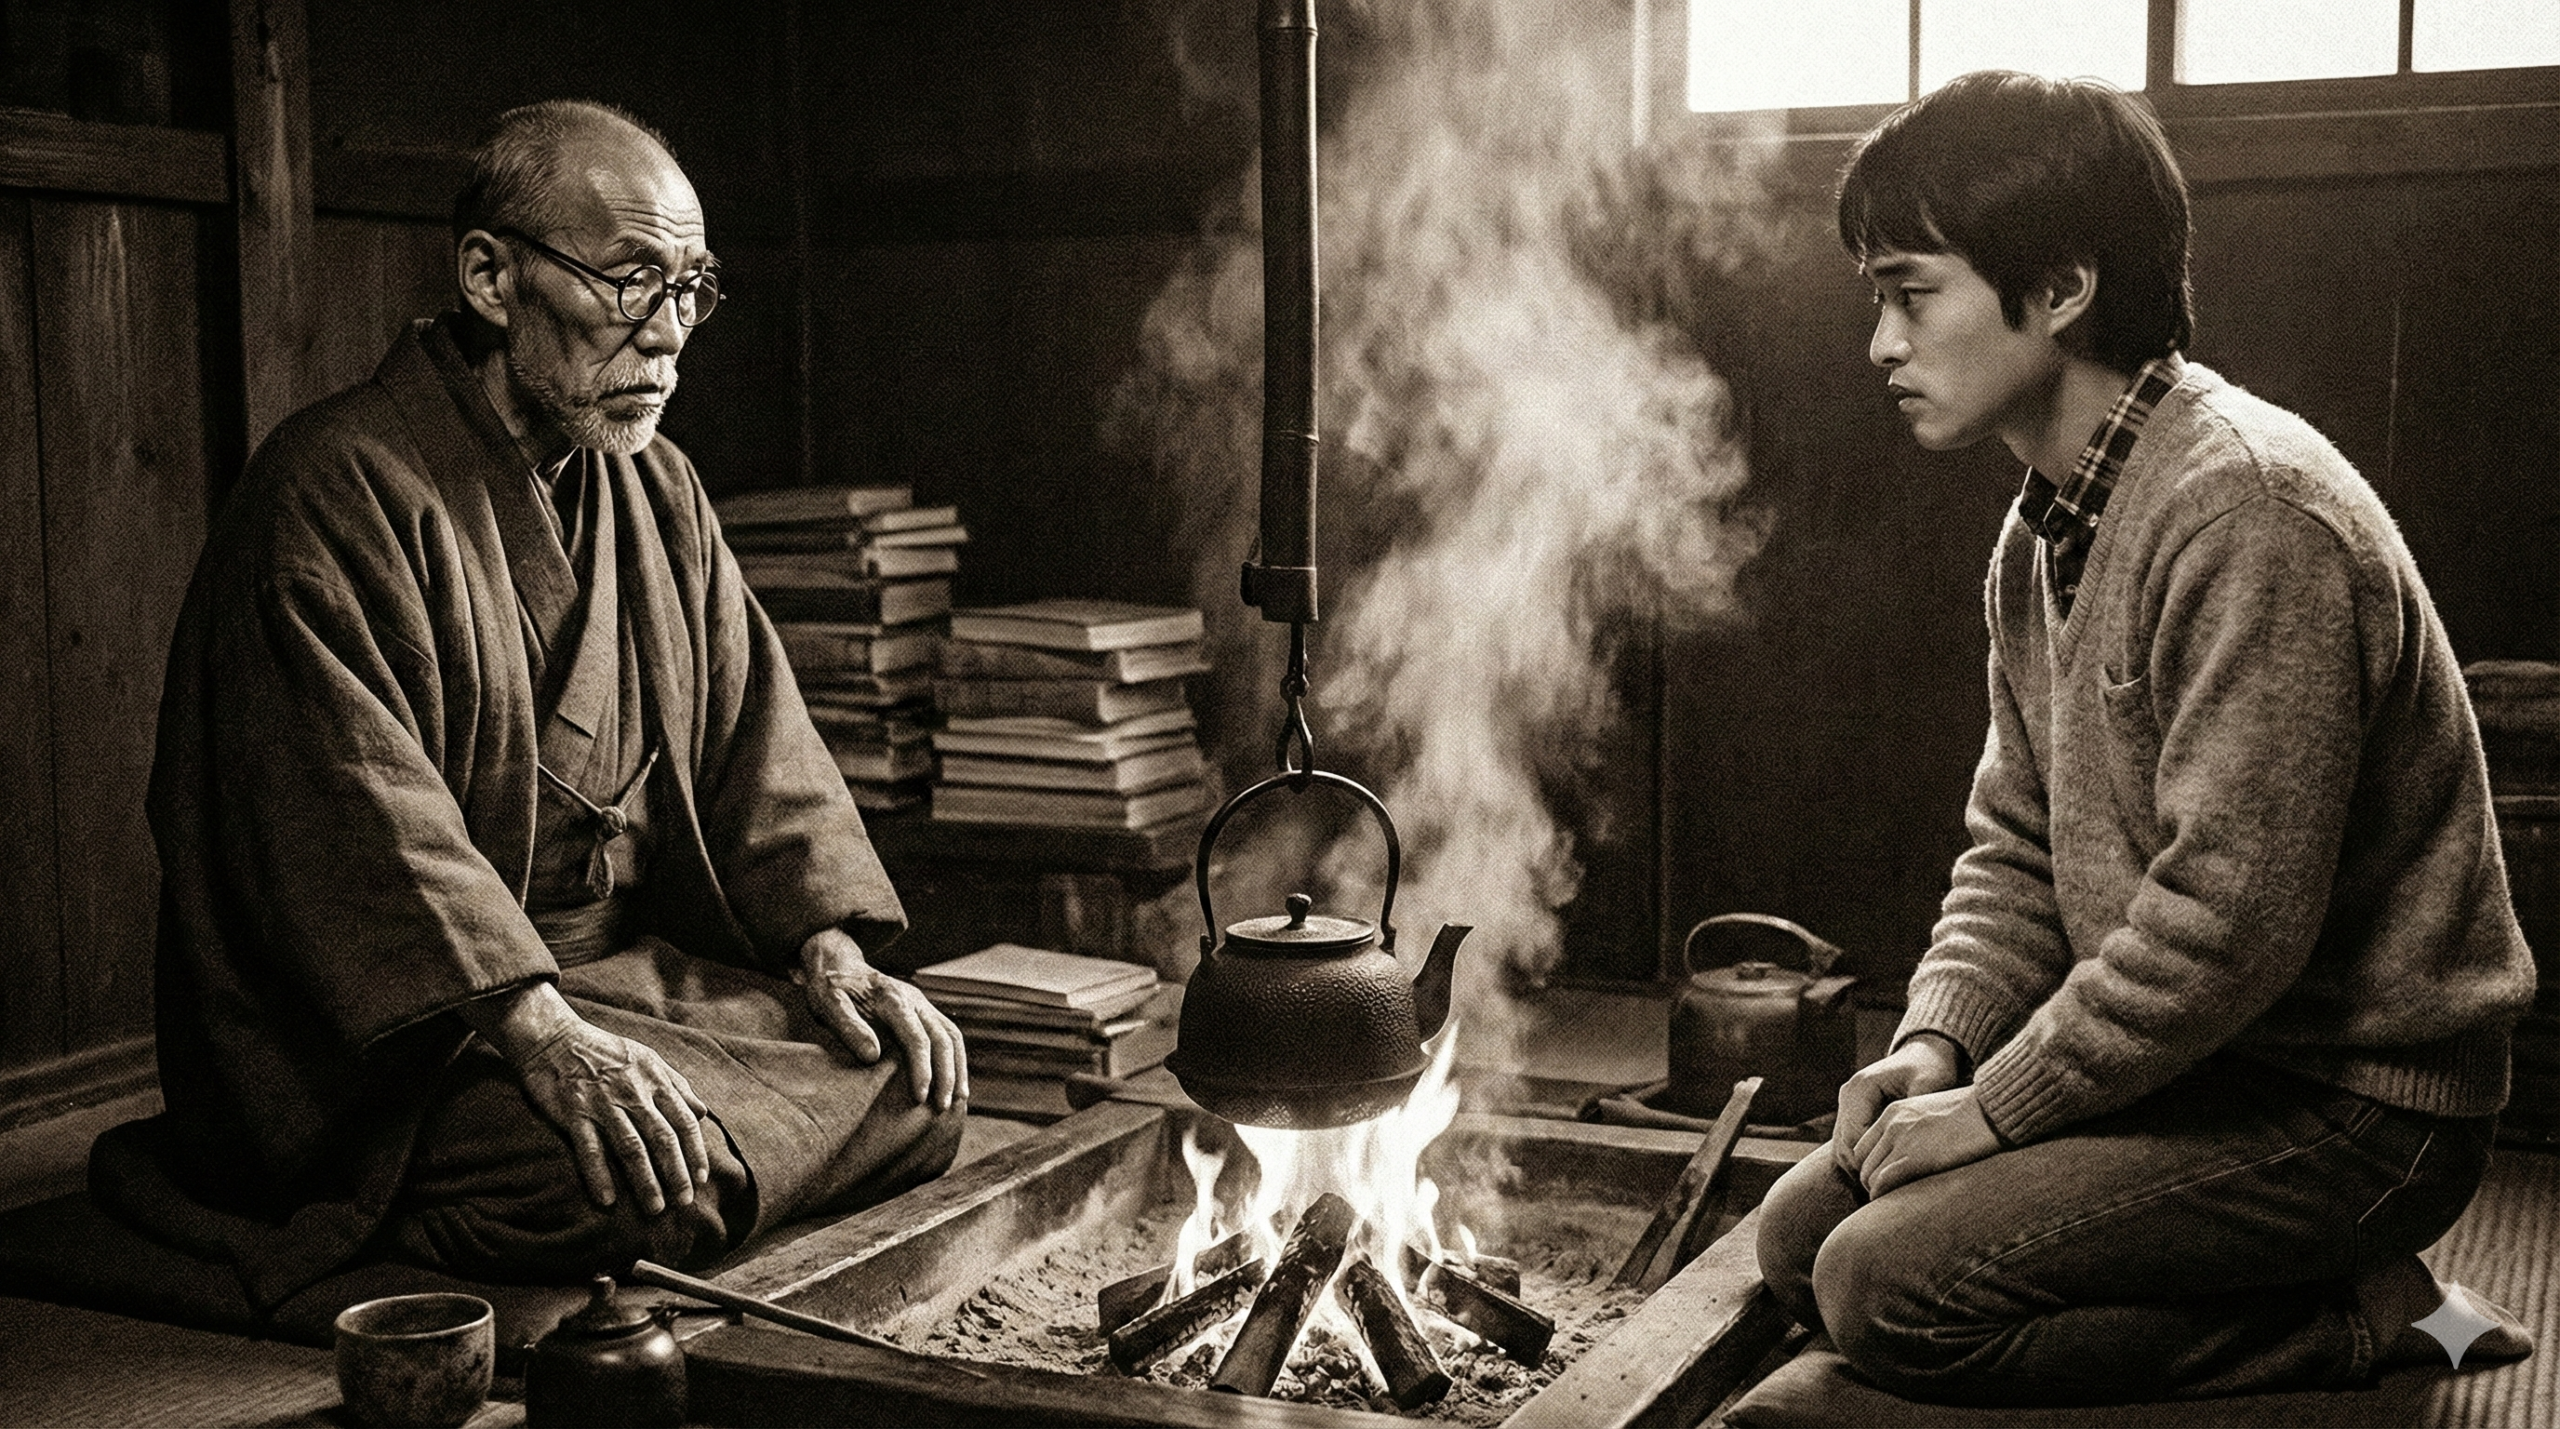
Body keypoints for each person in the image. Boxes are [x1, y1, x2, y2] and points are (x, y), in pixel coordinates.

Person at [91, 99, 966, 1307]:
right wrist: (540, 1034)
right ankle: (447, 1189)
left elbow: (756, 741)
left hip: (621, 983)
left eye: (691, 289)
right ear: (492, 276)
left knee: (918, 1082)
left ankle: (658, 1141)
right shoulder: (328, 496)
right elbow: (353, 823)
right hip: (411, 1034)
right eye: (630, 281)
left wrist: (825, 940)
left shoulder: (654, 488)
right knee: (615, 1178)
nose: (668, 337)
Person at [1754, 71, 2538, 1407]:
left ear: (2058, 288)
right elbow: (2015, 848)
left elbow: (2228, 925)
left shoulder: (2252, 512)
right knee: (1797, 1235)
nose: (1880, 343)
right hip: (2208, 1065)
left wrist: (1993, 1117)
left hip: (2354, 1110)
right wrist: (1937, 1049)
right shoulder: (2042, 529)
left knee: (1880, 1284)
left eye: (1910, 292)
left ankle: (2358, 1315)